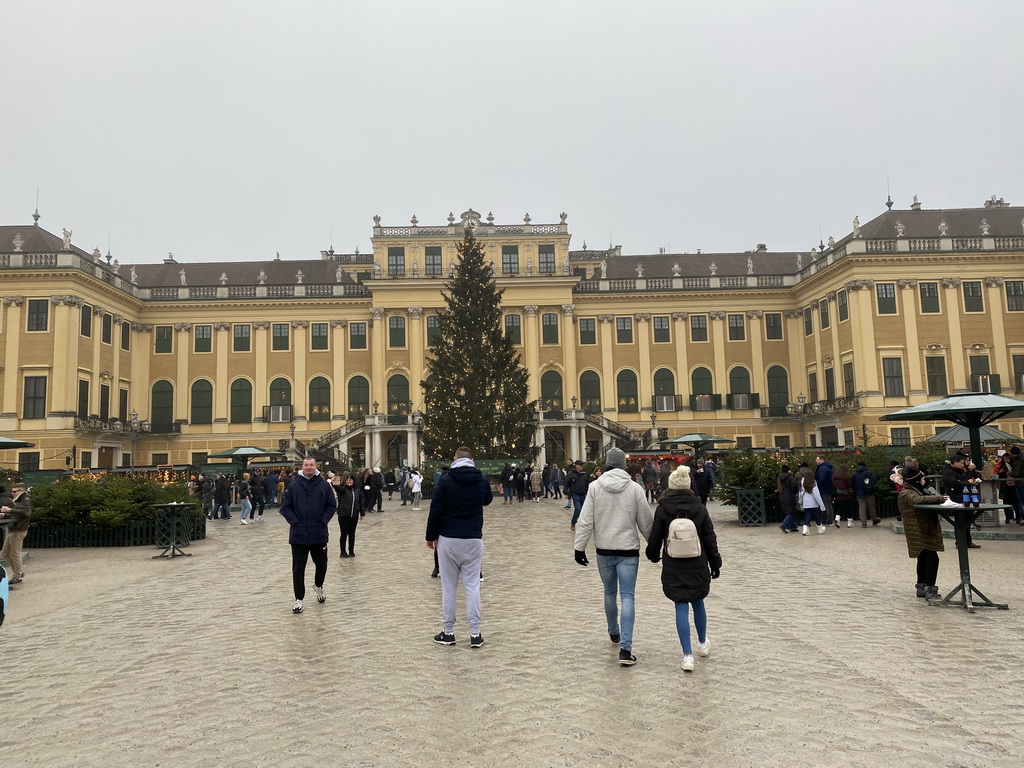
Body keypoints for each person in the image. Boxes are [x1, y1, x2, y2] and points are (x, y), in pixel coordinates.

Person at [573, 447, 654, 666]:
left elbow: (585, 519)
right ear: (624, 466)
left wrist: (579, 547)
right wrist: (653, 545)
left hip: (604, 548)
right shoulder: (635, 488)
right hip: (628, 550)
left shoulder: (595, 487)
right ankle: (626, 650)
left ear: (607, 464)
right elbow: (646, 521)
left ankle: (613, 632)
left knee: (609, 592)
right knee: (628, 596)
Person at [645, 466, 722, 672]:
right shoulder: (699, 507)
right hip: (697, 560)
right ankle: (702, 643)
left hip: (674, 561)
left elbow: (655, 536)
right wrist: (715, 562)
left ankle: (687, 656)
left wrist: (652, 554)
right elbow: (709, 537)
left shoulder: (663, 508)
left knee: (680, 604)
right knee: (698, 601)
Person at [426, 446, 493, 647]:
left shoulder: (446, 480)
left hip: (449, 537)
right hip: (473, 537)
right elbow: (487, 500)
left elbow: (435, 510)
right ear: (472, 460)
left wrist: (430, 536)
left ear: (454, 459)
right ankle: (475, 633)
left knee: (449, 587)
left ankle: (448, 631)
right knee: (472, 586)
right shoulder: (481, 479)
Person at [279, 457, 337, 613]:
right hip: (298, 534)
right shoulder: (294, 486)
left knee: (322, 564)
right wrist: (295, 522)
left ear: (315, 466)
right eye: (306, 465)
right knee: (298, 568)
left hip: (318, 532)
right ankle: (299, 598)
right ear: (302, 467)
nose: (309, 467)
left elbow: (332, 505)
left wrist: (323, 520)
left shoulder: (324, 485)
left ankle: (318, 585)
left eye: (311, 465)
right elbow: (285, 507)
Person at [898, 466, 946, 599]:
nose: (924, 481)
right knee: (932, 558)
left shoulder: (914, 490)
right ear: (916, 480)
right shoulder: (907, 493)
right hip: (919, 529)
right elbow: (917, 500)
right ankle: (930, 588)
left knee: (923, 557)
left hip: (922, 528)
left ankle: (921, 586)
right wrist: (939, 498)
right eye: (922, 479)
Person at [941, 454, 979, 549]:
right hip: (956, 498)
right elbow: (954, 483)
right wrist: (967, 482)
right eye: (961, 463)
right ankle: (960, 541)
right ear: (954, 463)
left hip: (965, 496)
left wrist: (972, 479)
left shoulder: (961, 471)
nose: (963, 465)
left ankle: (968, 540)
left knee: (968, 520)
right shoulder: (948, 472)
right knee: (960, 520)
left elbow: (965, 480)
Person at [0, 483, 32, 585]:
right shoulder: (19, 500)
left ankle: (17, 575)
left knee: (14, 553)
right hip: (14, 528)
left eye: (15, 491)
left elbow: (26, 512)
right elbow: (17, 514)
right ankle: (18, 571)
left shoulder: (25, 500)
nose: (12, 493)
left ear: (21, 491)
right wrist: (5, 515)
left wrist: (9, 510)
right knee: (5, 553)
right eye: (12, 491)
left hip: (19, 529)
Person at [334, 473, 364, 558]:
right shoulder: (343, 490)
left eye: (350, 480)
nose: (349, 481)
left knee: (352, 533)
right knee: (344, 533)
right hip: (343, 514)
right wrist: (334, 483)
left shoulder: (357, 490)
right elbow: (337, 488)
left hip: (354, 514)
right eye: (347, 480)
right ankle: (343, 552)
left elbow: (361, 502)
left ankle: (351, 550)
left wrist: (362, 513)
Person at [797, 467, 827, 535]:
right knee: (816, 515)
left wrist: (801, 502)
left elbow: (800, 493)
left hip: (805, 503)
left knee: (807, 515)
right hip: (813, 503)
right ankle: (820, 527)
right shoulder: (813, 483)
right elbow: (817, 495)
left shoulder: (802, 483)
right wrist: (822, 505)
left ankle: (805, 529)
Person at [852, 462, 879, 526]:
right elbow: (874, 480)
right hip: (869, 493)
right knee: (871, 507)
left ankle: (864, 523)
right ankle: (874, 520)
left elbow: (852, 484)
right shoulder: (868, 473)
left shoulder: (854, 474)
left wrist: (855, 491)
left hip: (859, 493)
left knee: (862, 508)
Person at [831, 464, 855, 528]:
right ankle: (849, 523)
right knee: (848, 509)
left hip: (838, 495)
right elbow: (849, 485)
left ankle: (837, 519)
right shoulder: (846, 476)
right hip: (846, 495)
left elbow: (833, 485)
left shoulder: (834, 477)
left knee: (839, 509)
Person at [777, 464, 800, 533]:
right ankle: (783, 525)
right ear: (788, 470)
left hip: (782, 495)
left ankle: (793, 527)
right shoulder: (790, 477)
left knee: (788, 511)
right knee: (791, 511)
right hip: (789, 496)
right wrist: (795, 492)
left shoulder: (779, 477)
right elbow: (794, 487)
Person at [814, 455, 835, 520]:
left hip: (824, 489)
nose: (816, 461)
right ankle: (829, 519)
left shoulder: (822, 468)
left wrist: (818, 486)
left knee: (826, 505)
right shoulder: (827, 468)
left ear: (822, 460)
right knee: (828, 504)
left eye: (817, 459)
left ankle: (828, 519)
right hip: (827, 489)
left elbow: (821, 479)